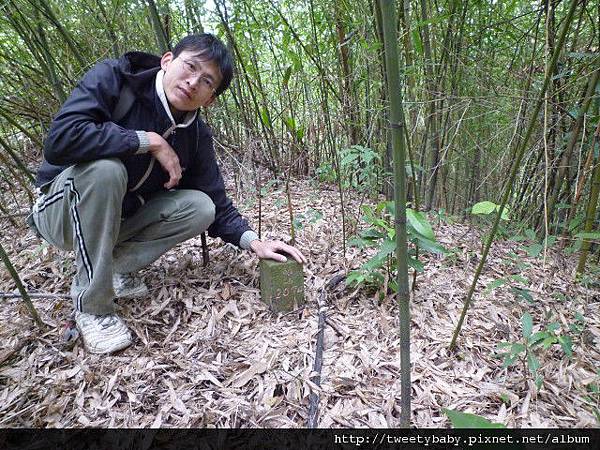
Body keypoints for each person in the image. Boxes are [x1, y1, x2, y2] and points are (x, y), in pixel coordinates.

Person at [30, 33, 306, 354]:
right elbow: (61, 138)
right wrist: (146, 140)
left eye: (206, 81)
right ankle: (92, 307)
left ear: (210, 98)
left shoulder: (196, 133)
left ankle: (115, 267)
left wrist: (253, 241)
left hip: (117, 220)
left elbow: (214, 200)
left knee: (199, 207)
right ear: (166, 60)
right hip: (60, 211)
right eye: (189, 66)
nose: (192, 82)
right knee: (107, 169)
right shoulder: (116, 79)